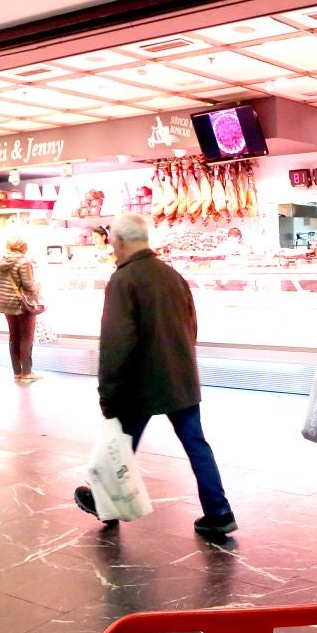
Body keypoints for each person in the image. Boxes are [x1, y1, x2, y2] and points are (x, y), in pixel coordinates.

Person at [73, 212, 237, 537]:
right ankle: (219, 512)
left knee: (120, 442)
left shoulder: (123, 280)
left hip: (139, 385)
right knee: (196, 445)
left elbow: (117, 343)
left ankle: (106, 504)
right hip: (180, 379)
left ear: (118, 242)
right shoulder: (172, 275)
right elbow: (191, 325)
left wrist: (108, 393)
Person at [0, 236, 42, 382]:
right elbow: (28, 285)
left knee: (13, 337)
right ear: (23, 247)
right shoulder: (23, 262)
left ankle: (17, 372)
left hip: (5, 303)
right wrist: (38, 286)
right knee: (26, 338)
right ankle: (27, 372)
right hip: (22, 304)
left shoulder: (1, 262)